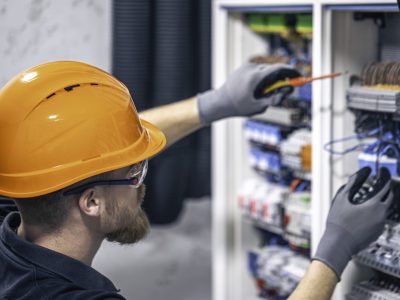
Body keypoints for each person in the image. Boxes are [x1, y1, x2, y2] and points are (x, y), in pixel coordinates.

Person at [0, 61, 393, 300]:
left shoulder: (22, 201)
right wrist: (334, 252)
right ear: (91, 202)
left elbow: (91, 150)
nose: (142, 185)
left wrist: (213, 105)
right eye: (136, 173)